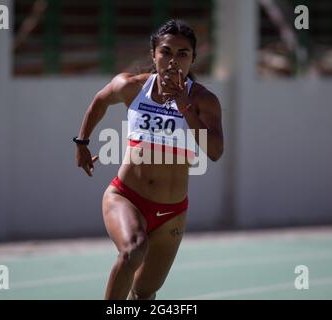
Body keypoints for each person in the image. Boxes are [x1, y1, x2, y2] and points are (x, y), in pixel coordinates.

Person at [73, 19, 224, 300]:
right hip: (126, 197)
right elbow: (101, 99)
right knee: (133, 250)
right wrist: (82, 142)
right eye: (166, 52)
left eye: (183, 54)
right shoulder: (132, 87)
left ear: (193, 59)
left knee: (144, 293)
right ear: (154, 54)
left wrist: (186, 109)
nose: (173, 61)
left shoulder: (205, 101)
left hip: (172, 212)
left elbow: (215, 152)